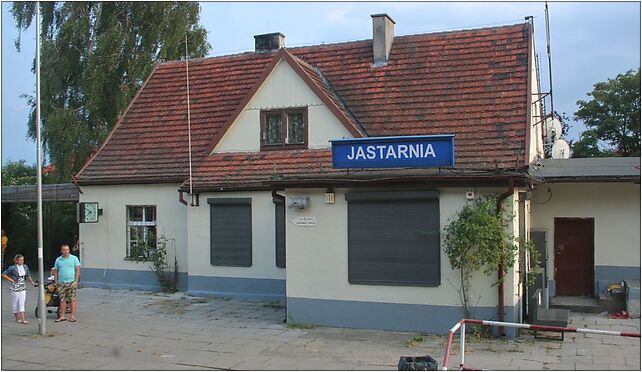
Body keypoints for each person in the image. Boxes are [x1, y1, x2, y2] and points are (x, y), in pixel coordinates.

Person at [2, 254, 36, 324]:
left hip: (23, 286)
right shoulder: (12, 268)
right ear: (16, 261)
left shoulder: (25, 267)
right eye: (20, 260)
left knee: (22, 303)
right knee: (15, 303)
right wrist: (11, 280)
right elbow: (3, 274)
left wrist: (32, 282)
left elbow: (28, 275)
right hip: (15, 287)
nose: (22, 261)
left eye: (23, 260)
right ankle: (17, 318)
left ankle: (23, 319)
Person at [52, 244, 80, 322]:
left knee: (72, 299)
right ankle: (62, 316)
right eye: (64, 250)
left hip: (71, 282)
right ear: (61, 251)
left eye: (67, 250)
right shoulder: (58, 260)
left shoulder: (74, 258)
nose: (65, 251)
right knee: (62, 300)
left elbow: (77, 270)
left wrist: (76, 281)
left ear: (69, 250)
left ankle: (72, 316)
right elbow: (55, 271)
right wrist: (56, 281)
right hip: (61, 283)